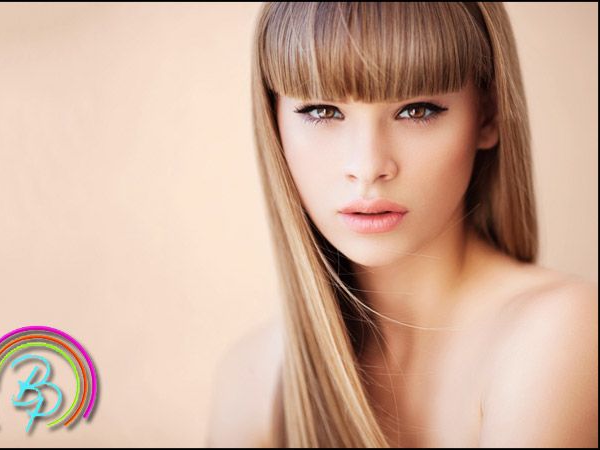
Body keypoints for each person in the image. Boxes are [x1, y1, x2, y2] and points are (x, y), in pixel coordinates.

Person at [207, 2, 598, 447]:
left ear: (487, 116)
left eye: (416, 110)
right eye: (322, 111)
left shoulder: (562, 331)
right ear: (273, 120)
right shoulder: (254, 378)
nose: (368, 166)